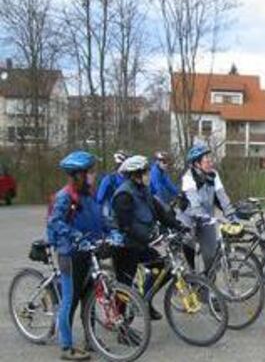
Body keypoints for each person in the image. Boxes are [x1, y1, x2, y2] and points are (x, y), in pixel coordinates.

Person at [111, 155, 186, 321]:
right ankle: (122, 328)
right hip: (124, 247)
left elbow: (160, 212)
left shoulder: (143, 191)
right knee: (124, 287)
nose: (149, 175)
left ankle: (144, 300)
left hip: (140, 244)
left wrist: (177, 225)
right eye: (146, 172)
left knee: (163, 268)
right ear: (136, 175)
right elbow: (126, 226)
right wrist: (149, 238)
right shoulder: (123, 195)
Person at [47, 151, 104, 361]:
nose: (94, 175)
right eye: (90, 172)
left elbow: (97, 220)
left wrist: (111, 233)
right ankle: (66, 347)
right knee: (69, 300)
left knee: (89, 298)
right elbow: (55, 222)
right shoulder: (65, 196)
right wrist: (75, 235)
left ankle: (91, 340)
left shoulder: (88, 194)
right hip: (69, 254)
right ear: (78, 174)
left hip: (86, 252)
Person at [178, 144, 238, 274]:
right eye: (207, 161)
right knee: (188, 244)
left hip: (207, 218)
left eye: (211, 160)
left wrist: (231, 215)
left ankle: (208, 285)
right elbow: (194, 202)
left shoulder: (214, 175)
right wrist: (206, 217)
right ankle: (191, 275)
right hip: (189, 218)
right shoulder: (188, 177)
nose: (210, 163)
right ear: (197, 164)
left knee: (211, 254)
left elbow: (222, 197)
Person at [97, 150, 129, 217]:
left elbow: (99, 198)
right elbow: (99, 199)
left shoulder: (129, 180)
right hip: (112, 214)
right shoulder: (109, 179)